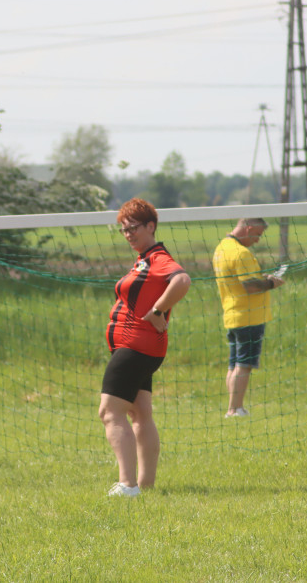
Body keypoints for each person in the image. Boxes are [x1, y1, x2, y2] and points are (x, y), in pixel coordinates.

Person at [99, 198, 191, 496]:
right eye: (124, 230)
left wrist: (159, 310)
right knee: (140, 413)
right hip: (141, 348)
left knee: (110, 412)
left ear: (151, 226)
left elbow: (182, 279)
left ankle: (127, 484)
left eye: (133, 228)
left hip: (135, 347)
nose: (128, 234)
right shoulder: (143, 258)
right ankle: (146, 484)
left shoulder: (157, 258)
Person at [212, 218, 286, 418]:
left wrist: (264, 280)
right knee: (244, 364)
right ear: (249, 228)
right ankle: (234, 409)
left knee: (234, 364)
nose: (257, 241)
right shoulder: (241, 253)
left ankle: (234, 407)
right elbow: (250, 285)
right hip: (249, 317)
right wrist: (271, 283)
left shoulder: (221, 248)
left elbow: (245, 281)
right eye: (258, 235)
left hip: (232, 314)